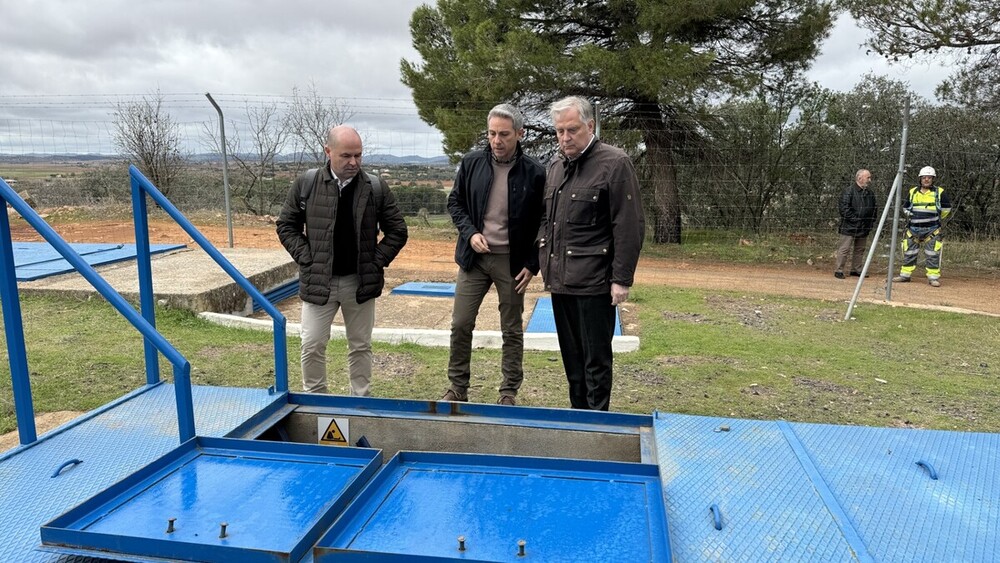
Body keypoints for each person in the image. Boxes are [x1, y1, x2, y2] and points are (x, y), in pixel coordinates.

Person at [276, 125, 408, 395]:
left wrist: (376, 261)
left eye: (358, 155)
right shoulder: (307, 184)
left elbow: (398, 231)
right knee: (311, 344)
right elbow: (286, 225)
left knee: (360, 345)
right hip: (318, 281)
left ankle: (361, 402)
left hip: (359, 283)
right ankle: (316, 402)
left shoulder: (375, 188)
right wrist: (306, 257)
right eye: (346, 155)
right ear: (328, 151)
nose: (354, 162)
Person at [538, 96, 644, 411]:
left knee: (595, 361)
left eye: (572, 130)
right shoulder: (556, 167)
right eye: (559, 131)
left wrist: (621, 278)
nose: (565, 138)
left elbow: (629, 225)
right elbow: (547, 220)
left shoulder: (614, 163)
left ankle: (598, 424)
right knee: (572, 361)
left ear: (590, 126)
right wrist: (543, 259)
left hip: (595, 283)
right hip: (561, 282)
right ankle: (578, 418)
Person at [440, 104, 546, 406]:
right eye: (491, 134)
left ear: (519, 134)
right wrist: (470, 233)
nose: (496, 141)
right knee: (461, 323)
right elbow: (455, 203)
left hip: (512, 263)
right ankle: (457, 387)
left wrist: (533, 263)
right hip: (473, 259)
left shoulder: (535, 173)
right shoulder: (472, 163)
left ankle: (509, 391)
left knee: (511, 328)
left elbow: (544, 220)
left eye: (503, 134)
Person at [893, 166, 952, 287]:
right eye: (924, 177)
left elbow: (946, 209)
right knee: (909, 252)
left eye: (929, 177)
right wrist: (911, 215)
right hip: (913, 229)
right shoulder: (913, 192)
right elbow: (906, 207)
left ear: (933, 179)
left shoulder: (939, 192)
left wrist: (933, 218)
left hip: (932, 230)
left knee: (932, 254)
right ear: (920, 179)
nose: (926, 180)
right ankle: (905, 275)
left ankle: (933, 278)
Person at [834, 169, 877, 279]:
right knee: (844, 249)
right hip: (849, 226)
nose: (870, 180)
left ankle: (856, 269)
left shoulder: (870, 193)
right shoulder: (848, 191)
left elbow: (874, 209)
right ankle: (839, 270)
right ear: (859, 178)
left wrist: (870, 221)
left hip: (864, 226)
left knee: (860, 249)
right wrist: (856, 220)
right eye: (868, 178)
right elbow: (844, 209)